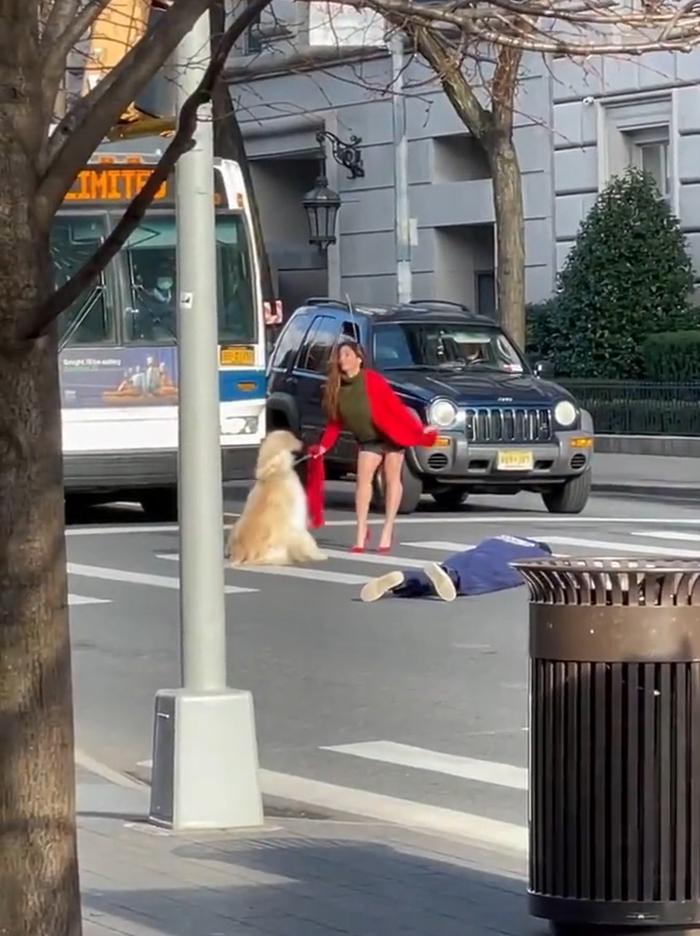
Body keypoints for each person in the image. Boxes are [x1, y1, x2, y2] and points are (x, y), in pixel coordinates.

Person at [307, 338, 437, 553]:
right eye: (340, 355)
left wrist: (417, 429)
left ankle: (387, 529)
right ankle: (360, 535)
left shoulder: (373, 381)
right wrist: (323, 447)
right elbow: (334, 423)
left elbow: (395, 408)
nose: (342, 359)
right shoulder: (336, 389)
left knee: (391, 478)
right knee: (363, 482)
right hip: (368, 439)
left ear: (359, 359)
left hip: (390, 435)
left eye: (347, 354)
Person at [359, 535, 553, 602]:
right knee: (476, 579)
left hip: (473, 554)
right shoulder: (540, 553)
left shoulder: (506, 537)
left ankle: (403, 578)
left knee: (451, 569)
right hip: (491, 564)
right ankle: (447, 578)